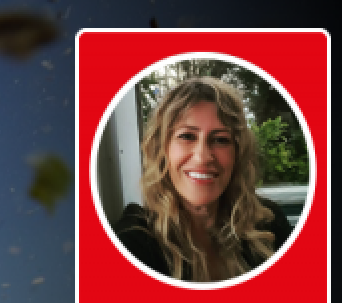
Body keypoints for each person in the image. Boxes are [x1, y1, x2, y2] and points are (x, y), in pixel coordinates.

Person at [113, 76, 293, 283]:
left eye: (220, 140)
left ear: (238, 154)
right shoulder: (133, 241)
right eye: (187, 136)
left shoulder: (269, 224)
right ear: (162, 150)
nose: (203, 156)